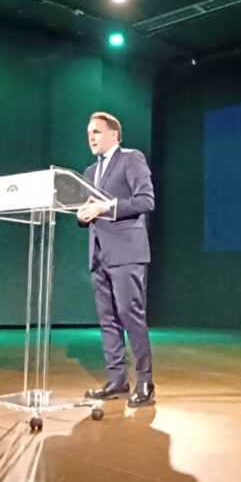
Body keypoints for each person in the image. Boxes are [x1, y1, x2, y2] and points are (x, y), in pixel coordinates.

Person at [76, 112, 157, 407]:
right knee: (107, 319)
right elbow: (87, 210)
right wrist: (82, 214)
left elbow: (146, 200)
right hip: (99, 254)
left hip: (127, 252)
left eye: (96, 132)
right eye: (88, 133)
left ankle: (145, 382)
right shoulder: (88, 172)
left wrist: (106, 207)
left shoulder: (131, 159)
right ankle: (117, 380)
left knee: (129, 314)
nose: (91, 137)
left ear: (114, 134)